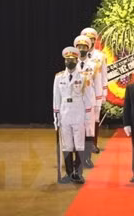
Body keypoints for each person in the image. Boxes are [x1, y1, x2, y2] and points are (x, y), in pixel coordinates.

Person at [53, 47, 89, 184]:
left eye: (72, 60)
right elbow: (56, 98)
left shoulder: (83, 77)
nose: (70, 62)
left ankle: (78, 173)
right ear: (64, 61)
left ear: (76, 61)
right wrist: (56, 117)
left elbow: (87, 98)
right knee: (66, 145)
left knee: (79, 144)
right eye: (67, 60)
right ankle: (68, 173)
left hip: (78, 112)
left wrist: (87, 117)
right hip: (64, 113)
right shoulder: (59, 77)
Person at [74, 35, 101, 169]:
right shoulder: (72, 64)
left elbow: (98, 85)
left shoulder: (94, 65)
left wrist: (98, 103)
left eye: (84, 47)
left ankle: (87, 158)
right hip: (75, 103)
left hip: (90, 103)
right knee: (77, 131)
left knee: (89, 131)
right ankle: (78, 159)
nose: (82, 49)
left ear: (88, 48)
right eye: (79, 47)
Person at [82, 27, 108, 154]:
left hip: (96, 91)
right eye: (88, 39)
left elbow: (104, 75)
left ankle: (93, 143)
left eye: (92, 39)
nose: (90, 41)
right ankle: (82, 144)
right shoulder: (79, 55)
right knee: (82, 119)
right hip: (82, 92)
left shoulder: (100, 56)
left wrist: (104, 92)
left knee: (95, 118)